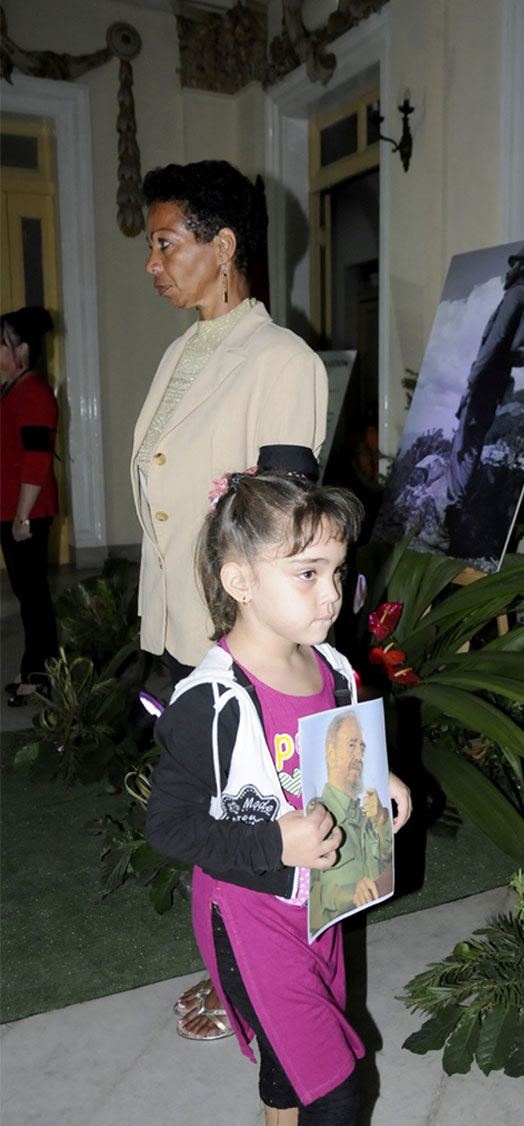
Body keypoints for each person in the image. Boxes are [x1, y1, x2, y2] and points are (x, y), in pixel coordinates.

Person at [145, 466, 412, 1126]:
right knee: (334, 1086)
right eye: (307, 573)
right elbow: (166, 825)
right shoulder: (212, 702)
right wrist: (274, 845)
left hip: (320, 907)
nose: (333, 592)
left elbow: (331, 756)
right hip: (251, 916)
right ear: (239, 580)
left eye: (337, 570)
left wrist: (372, 784)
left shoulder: (327, 667)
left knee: (292, 1057)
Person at [131, 159, 328, 1038]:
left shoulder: (281, 360)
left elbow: (285, 526)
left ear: (224, 245)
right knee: (215, 815)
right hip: (179, 619)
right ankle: (227, 960)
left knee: (253, 811)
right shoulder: (181, 352)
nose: (154, 263)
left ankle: (260, 977)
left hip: (238, 633)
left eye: (166, 243)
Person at [444, 244, 524, 547]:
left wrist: (474, 375)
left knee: (467, 446)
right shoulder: (517, 295)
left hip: (485, 382)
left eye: (513, 264)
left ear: (521, 267)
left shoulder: (515, 295)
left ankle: (453, 515)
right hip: (489, 382)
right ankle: (454, 511)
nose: (508, 270)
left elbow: (495, 340)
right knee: (466, 444)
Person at [0, 306, 59, 706]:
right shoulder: (14, 387)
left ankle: (39, 675)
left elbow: (37, 459)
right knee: (28, 593)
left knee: (33, 595)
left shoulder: (34, 391)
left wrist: (22, 515)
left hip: (28, 513)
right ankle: (34, 666)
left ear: (21, 349)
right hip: (15, 509)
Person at [308, 711, 393, 936]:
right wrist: (348, 893)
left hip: (357, 932)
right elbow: (306, 895)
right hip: (323, 935)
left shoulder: (364, 814)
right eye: (351, 746)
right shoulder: (316, 814)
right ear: (330, 752)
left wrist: (381, 819)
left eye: (362, 748)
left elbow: (384, 865)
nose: (359, 756)